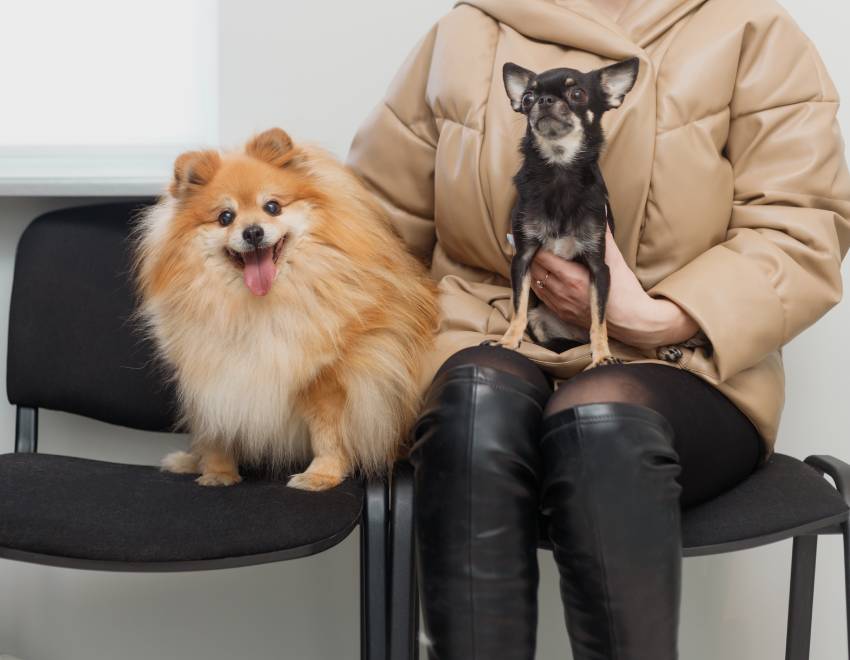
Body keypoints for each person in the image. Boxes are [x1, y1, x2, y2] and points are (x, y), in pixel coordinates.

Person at [348, 0, 850, 657]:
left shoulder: (751, 30)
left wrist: (651, 315)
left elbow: (802, 223)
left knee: (600, 423)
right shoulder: (466, 33)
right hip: (494, 332)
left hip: (680, 361)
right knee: (475, 401)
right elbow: (374, 224)